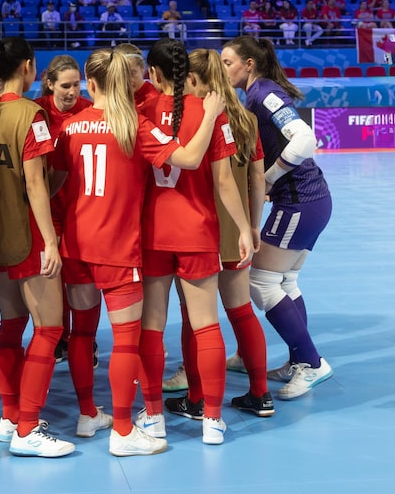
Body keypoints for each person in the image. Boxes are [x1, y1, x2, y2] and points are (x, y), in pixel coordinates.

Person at [50, 48, 226, 455]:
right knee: (127, 341)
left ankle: (87, 414)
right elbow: (188, 157)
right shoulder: (134, 127)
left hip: (75, 245)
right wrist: (213, 115)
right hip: (117, 246)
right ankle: (125, 431)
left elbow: (55, 182)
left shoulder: (71, 126)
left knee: (81, 332)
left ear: (90, 86)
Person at [135, 38, 256, 446]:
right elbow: (224, 181)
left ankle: (152, 417)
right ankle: (213, 419)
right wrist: (243, 227)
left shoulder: (141, 112)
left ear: (153, 74)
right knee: (206, 324)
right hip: (198, 231)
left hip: (153, 233)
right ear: (187, 73)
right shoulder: (212, 112)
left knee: (150, 327)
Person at [0, 37, 74, 457]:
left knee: (11, 327)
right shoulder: (31, 114)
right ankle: (28, 429)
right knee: (49, 329)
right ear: (29, 68)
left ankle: (11, 415)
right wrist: (51, 240)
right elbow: (36, 182)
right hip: (28, 234)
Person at [221, 35, 334, 400]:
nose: (224, 69)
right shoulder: (255, 96)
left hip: (298, 202)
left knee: (261, 281)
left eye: (228, 62)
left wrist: (266, 180)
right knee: (284, 281)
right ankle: (300, 358)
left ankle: (313, 364)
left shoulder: (264, 95)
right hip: (312, 199)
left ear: (248, 64)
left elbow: (304, 140)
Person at [163, 50, 273, 419]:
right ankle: (260, 393)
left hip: (201, 227)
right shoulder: (245, 118)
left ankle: (196, 399)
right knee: (241, 310)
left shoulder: (193, 116)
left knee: (196, 318)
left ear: (192, 79)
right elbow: (257, 179)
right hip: (236, 227)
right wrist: (252, 226)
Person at [34, 55, 93, 364]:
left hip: (82, 209)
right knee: (52, 277)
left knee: (79, 279)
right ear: (50, 84)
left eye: (77, 85)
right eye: (66, 86)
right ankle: (58, 336)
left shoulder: (89, 111)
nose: (73, 92)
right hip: (50, 209)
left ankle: (83, 339)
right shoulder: (38, 111)